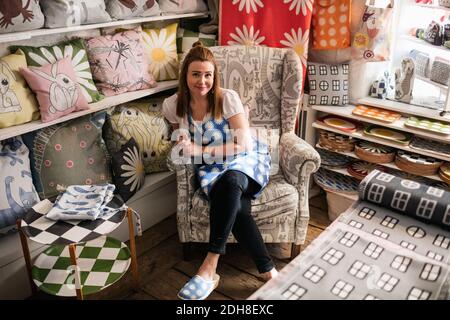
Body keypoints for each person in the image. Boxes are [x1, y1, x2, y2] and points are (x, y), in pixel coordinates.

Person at [162, 42, 277, 300]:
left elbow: (242, 144)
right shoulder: (173, 105)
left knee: (233, 178)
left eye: (208, 75)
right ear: (185, 76)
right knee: (238, 208)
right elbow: (179, 136)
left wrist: (198, 151)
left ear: (214, 76)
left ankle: (209, 265)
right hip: (213, 166)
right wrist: (180, 141)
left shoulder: (227, 98)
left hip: (245, 158)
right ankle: (268, 270)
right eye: (195, 74)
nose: (202, 81)